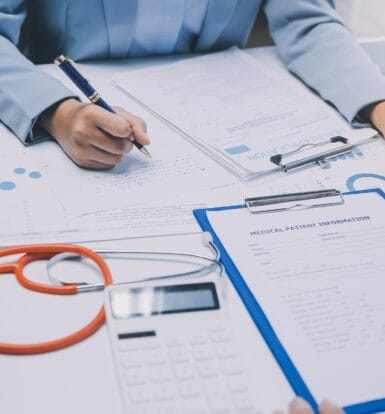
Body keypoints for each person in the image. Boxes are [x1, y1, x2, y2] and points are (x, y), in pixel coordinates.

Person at [1, 0, 385, 171]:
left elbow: (309, 20)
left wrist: (378, 105)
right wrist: (59, 113)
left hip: (220, 126)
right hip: (79, 122)